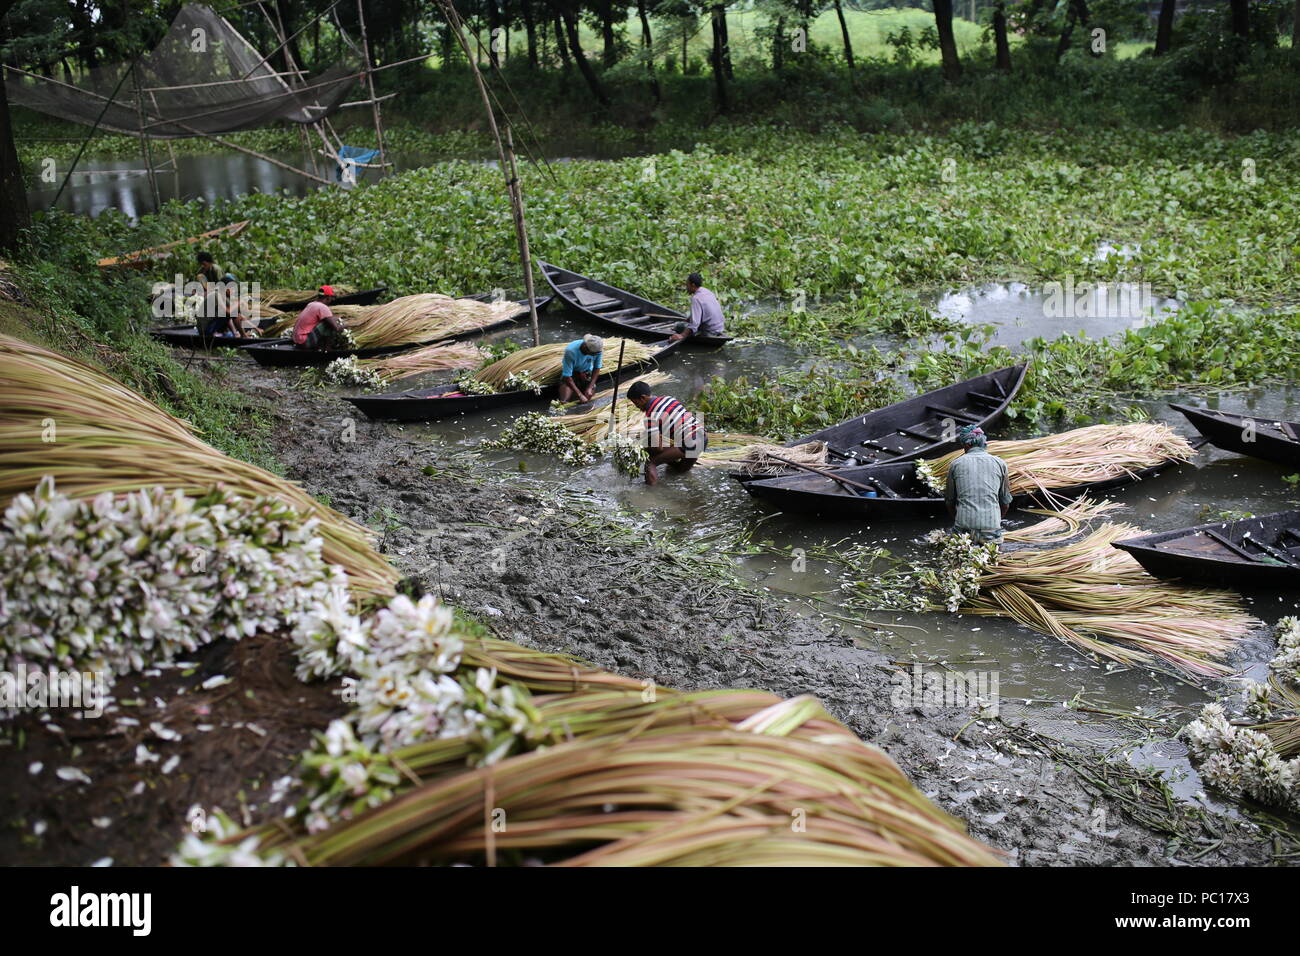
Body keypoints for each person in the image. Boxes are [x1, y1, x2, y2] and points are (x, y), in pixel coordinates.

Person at [627, 380, 708, 486]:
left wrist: (644, 449)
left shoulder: (651, 416)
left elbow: (658, 448)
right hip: (703, 437)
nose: (638, 407)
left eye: (636, 404)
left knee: (650, 462)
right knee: (680, 470)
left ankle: (651, 496)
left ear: (643, 398)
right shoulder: (668, 398)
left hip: (689, 441)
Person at [944, 425, 1012, 545]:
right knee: (994, 559)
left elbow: (950, 501)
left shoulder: (955, 464)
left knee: (959, 557)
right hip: (991, 526)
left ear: (968, 445)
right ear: (983, 443)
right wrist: (995, 522)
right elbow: (1005, 503)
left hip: (963, 526)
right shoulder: (1000, 463)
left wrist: (960, 520)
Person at [668, 272, 725, 343]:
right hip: (719, 328)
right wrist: (689, 318)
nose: (686, 287)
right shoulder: (707, 291)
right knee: (683, 324)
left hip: (710, 331)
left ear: (693, 285)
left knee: (678, 326)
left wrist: (682, 335)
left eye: (687, 285)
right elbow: (704, 311)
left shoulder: (696, 298)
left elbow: (694, 325)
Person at [292, 285, 347, 350]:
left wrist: (335, 319)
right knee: (328, 325)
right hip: (304, 342)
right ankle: (327, 350)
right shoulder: (323, 307)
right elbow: (336, 328)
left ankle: (321, 347)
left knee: (327, 321)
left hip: (296, 341)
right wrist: (346, 325)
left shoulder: (311, 304)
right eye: (331, 297)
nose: (332, 300)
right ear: (328, 297)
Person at [557, 334, 604, 403]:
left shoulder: (597, 351)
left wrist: (590, 387)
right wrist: (580, 395)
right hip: (572, 373)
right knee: (564, 401)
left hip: (586, 372)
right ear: (587, 349)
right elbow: (567, 376)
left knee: (587, 398)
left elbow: (597, 368)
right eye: (593, 354)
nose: (595, 355)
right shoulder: (571, 351)